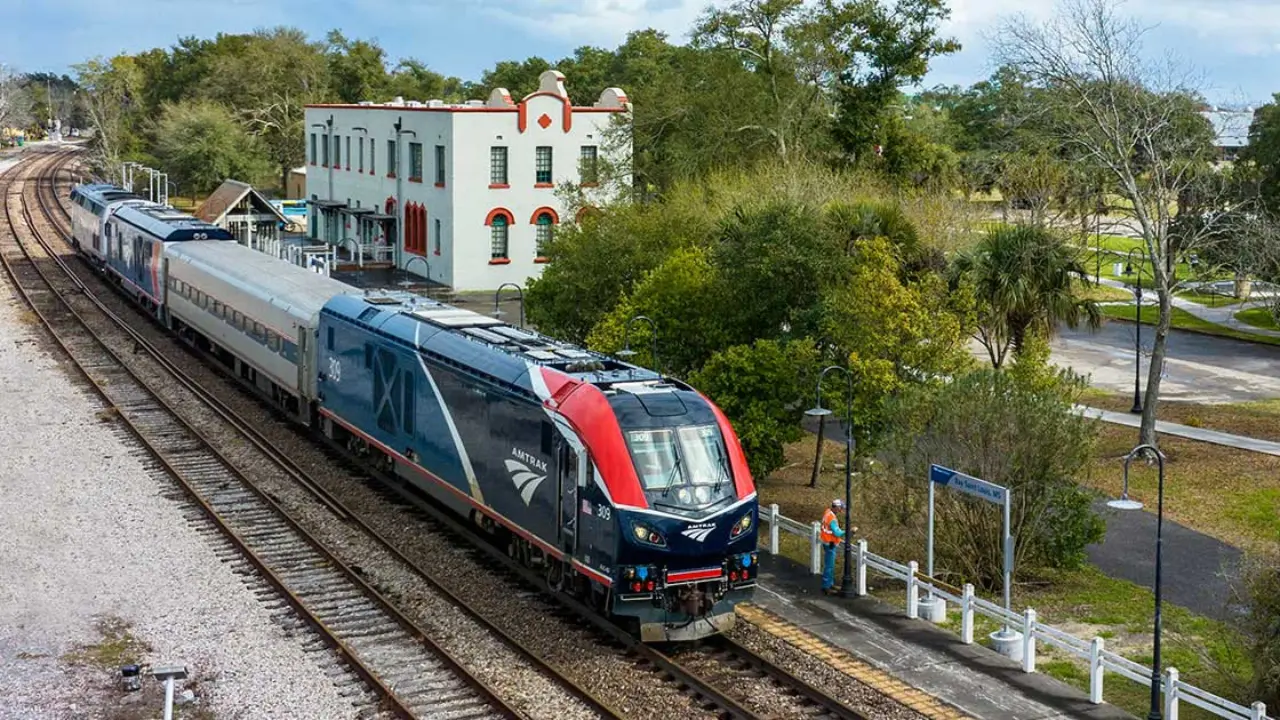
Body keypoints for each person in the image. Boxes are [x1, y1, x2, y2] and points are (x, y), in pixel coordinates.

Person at [820, 499, 851, 595]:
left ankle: (830, 583)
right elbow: (837, 533)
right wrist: (849, 532)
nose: (841, 510)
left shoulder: (827, 512)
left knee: (830, 565)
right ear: (836, 507)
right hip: (830, 543)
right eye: (840, 508)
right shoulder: (832, 519)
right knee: (829, 566)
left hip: (826, 541)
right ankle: (826, 587)